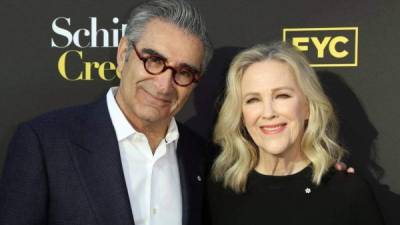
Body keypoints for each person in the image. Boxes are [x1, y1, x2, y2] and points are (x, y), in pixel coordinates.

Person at [0, 0, 213, 225]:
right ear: (123, 55)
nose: (164, 85)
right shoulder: (45, 143)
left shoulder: (200, 157)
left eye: (184, 72)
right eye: (154, 60)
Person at [205, 42, 384, 225]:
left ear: (307, 106)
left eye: (282, 96)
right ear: (241, 114)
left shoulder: (348, 193)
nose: (268, 113)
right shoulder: (219, 192)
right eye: (253, 100)